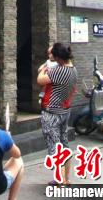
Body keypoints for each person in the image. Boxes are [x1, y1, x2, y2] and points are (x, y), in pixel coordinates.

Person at [37, 42, 77, 186]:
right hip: (65, 111)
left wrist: (43, 69)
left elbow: (40, 80)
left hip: (52, 113)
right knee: (64, 144)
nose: (51, 56)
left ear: (58, 57)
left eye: (53, 54)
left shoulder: (58, 71)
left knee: (54, 147)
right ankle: (66, 179)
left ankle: (59, 180)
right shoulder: (73, 70)